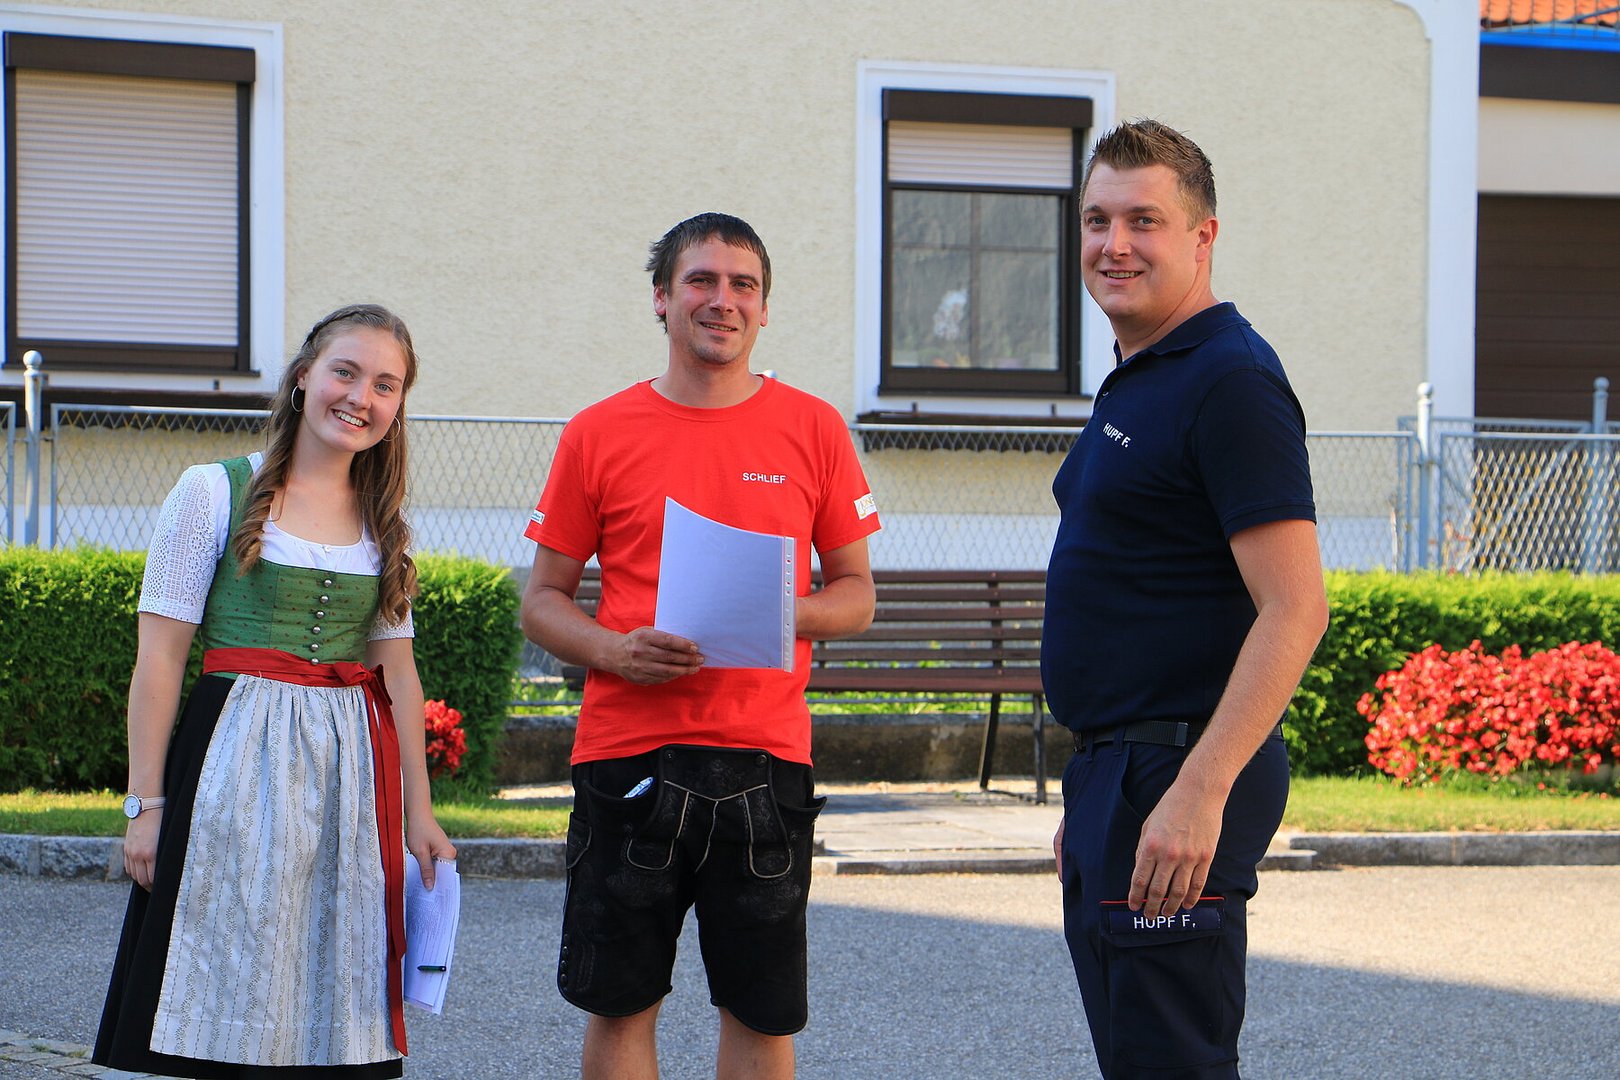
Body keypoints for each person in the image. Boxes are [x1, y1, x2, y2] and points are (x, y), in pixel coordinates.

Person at [520, 212, 880, 1080]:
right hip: (627, 758)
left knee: (762, 1017)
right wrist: (615, 651)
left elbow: (857, 596)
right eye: (702, 281)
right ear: (661, 298)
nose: (724, 300)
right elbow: (542, 602)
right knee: (619, 1009)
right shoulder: (597, 431)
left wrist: (776, 611)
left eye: (743, 285)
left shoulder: (814, 428)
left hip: (766, 760)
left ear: (764, 309)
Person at [93, 303, 457, 1079]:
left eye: (385, 384)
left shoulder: (385, 524)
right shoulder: (213, 491)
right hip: (232, 762)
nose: (360, 397)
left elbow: (398, 674)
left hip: (349, 778)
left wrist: (418, 812)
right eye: (345, 372)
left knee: (330, 965)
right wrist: (145, 806)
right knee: (222, 953)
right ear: (303, 378)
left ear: (398, 406)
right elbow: (159, 660)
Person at [1043, 120, 1329, 1079]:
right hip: (1125, 774)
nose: (1113, 244)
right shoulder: (1144, 376)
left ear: (1203, 238)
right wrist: (1097, 795)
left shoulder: (1230, 381)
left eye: (1143, 221)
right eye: (1097, 220)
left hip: (1176, 771)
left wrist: (1194, 794)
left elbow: (1296, 608)